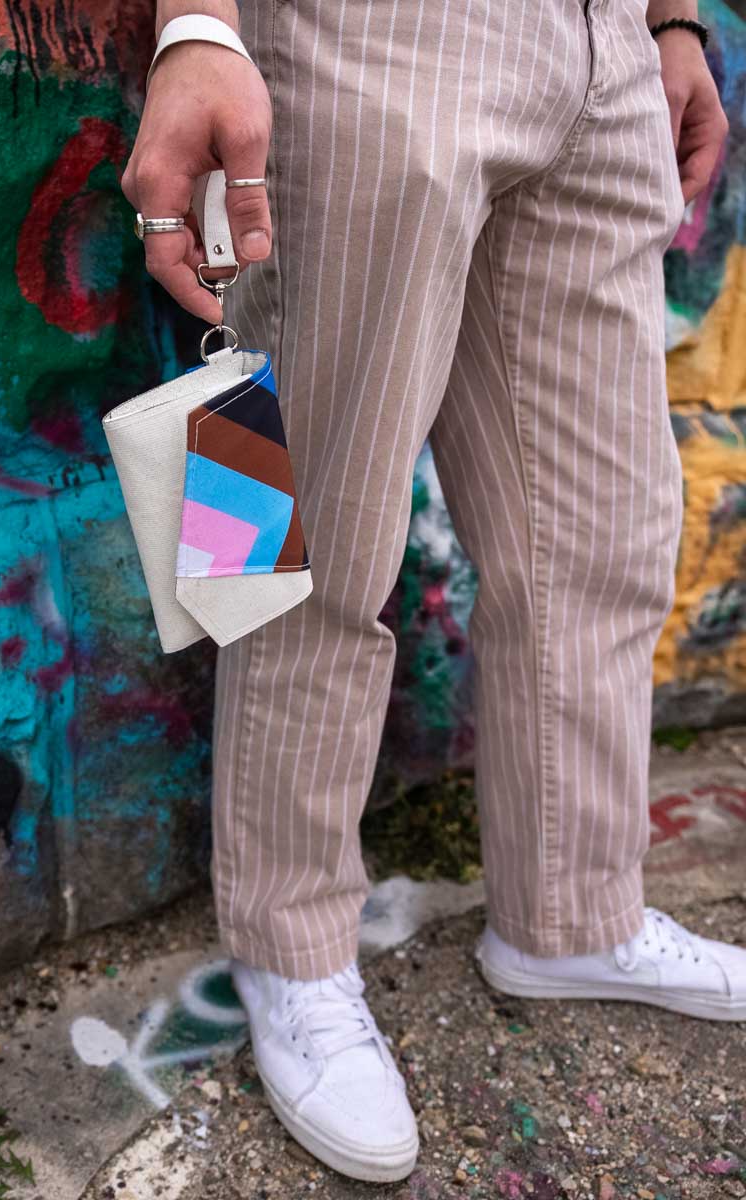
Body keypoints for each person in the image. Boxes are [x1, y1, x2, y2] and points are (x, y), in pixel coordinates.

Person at [122, 0, 742, 1183]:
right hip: (374, 34)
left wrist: (672, 22)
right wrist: (196, 23)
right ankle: (292, 952)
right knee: (316, 544)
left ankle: (572, 917)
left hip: (604, 56)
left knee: (598, 539)